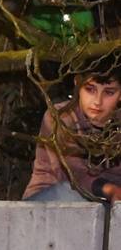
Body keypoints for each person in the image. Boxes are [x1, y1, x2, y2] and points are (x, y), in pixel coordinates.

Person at [22, 64, 120, 202]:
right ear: (77, 85)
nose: (98, 101)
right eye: (90, 90)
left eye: (109, 92)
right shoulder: (60, 117)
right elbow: (74, 175)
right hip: (50, 201)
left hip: (103, 203)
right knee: (70, 192)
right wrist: (110, 190)